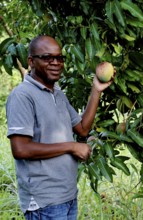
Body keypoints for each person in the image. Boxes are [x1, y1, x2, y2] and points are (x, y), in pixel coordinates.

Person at [6, 35, 115, 219]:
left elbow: (82, 129)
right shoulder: (22, 96)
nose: (56, 63)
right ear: (31, 61)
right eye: (47, 58)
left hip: (68, 196)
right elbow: (21, 149)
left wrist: (96, 89)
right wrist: (72, 146)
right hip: (45, 203)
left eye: (59, 58)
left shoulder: (57, 94)